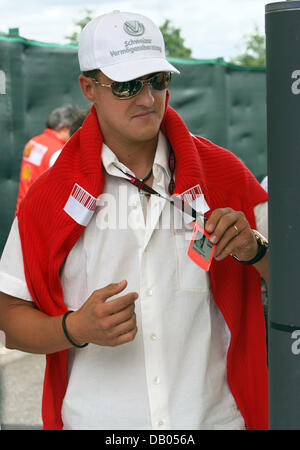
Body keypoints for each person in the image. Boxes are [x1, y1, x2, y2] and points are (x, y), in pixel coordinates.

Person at [0, 11, 269, 430]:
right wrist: (74, 328)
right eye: (126, 85)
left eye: (157, 80)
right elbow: (10, 320)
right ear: (88, 88)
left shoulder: (226, 174)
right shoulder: (49, 197)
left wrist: (256, 249)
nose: (147, 99)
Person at [15, 104, 78, 213]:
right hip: (40, 215)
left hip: (22, 211)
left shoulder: (32, 142)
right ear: (64, 129)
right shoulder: (58, 152)